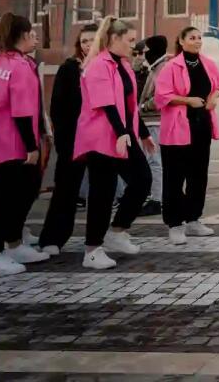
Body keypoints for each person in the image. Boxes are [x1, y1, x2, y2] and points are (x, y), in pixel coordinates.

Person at [75, 17, 156, 270]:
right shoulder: (98, 65)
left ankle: (117, 231)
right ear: (114, 39)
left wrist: (143, 133)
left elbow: (130, 106)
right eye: (130, 40)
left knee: (142, 180)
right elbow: (106, 104)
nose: (134, 45)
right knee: (103, 192)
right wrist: (122, 132)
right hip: (101, 137)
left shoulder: (123, 65)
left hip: (123, 135)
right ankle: (91, 250)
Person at [0, 14, 49, 275]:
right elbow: (21, 111)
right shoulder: (19, 66)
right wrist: (32, 146)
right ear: (24, 35)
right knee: (3, 199)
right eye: (33, 34)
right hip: (12, 143)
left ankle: (13, 243)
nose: (36, 39)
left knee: (25, 191)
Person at [155, 26, 219, 245]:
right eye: (192, 38)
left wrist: (214, 96)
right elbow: (161, 96)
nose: (197, 41)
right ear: (181, 41)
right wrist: (188, 101)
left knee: (198, 175)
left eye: (199, 38)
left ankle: (193, 218)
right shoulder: (171, 66)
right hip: (177, 128)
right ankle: (175, 224)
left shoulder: (208, 64)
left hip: (201, 125)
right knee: (175, 177)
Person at [38, 24, 97, 255]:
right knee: (65, 190)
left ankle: (98, 240)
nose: (88, 45)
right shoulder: (69, 68)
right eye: (84, 41)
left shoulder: (108, 66)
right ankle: (52, 238)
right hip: (73, 139)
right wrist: (63, 139)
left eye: (92, 40)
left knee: (102, 192)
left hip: (101, 139)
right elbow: (57, 108)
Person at [136, 34, 172, 217]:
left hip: (155, 121)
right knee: (154, 161)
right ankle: (156, 197)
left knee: (154, 161)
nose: (143, 54)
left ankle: (156, 200)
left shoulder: (162, 68)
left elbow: (160, 97)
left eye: (145, 50)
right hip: (153, 121)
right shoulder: (157, 67)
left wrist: (142, 107)